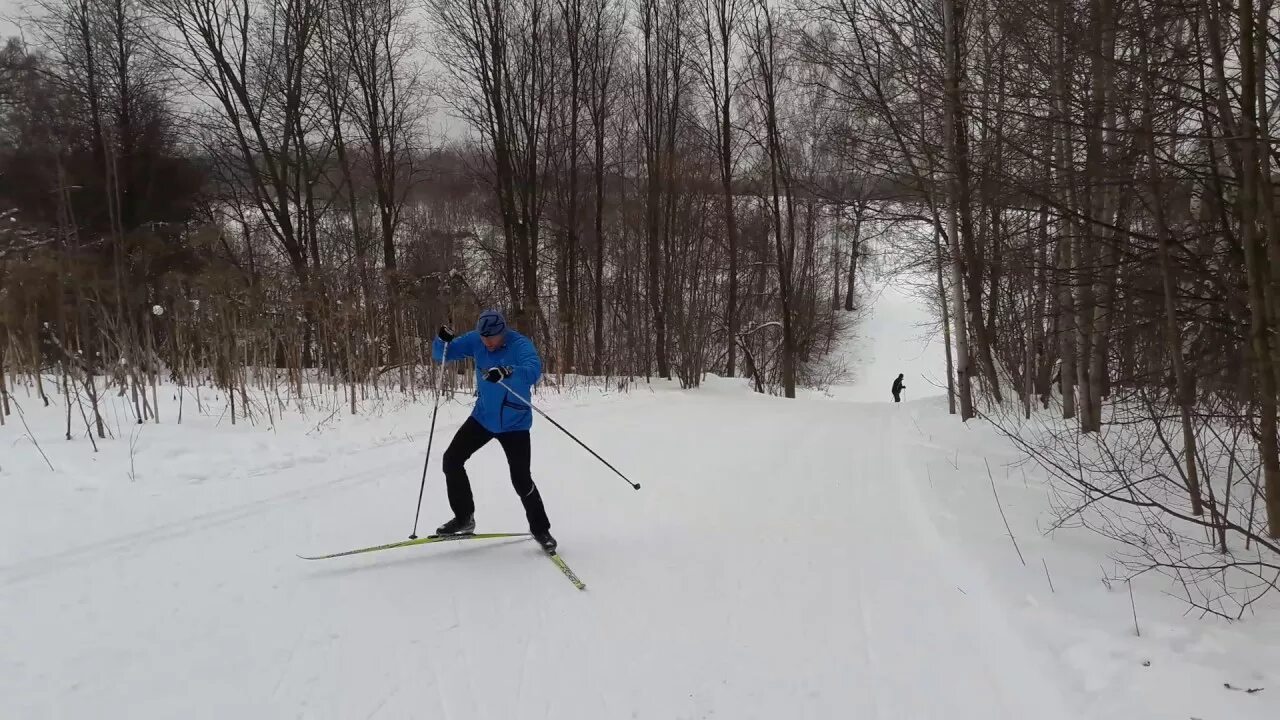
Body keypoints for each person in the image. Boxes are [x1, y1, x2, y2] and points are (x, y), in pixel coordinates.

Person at [431, 309, 556, 552]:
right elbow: (441, 355)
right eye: (483, 337)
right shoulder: (477, 340)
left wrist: (508, 371)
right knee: (452, 460)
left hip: (514, 423)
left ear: (503, 332)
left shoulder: (519, 345)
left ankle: (541, 530)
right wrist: (442, 340)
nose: (487, 342)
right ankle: (464, 518)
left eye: (492, 338)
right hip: (483, 417)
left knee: (521, 479)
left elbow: (533, 371)